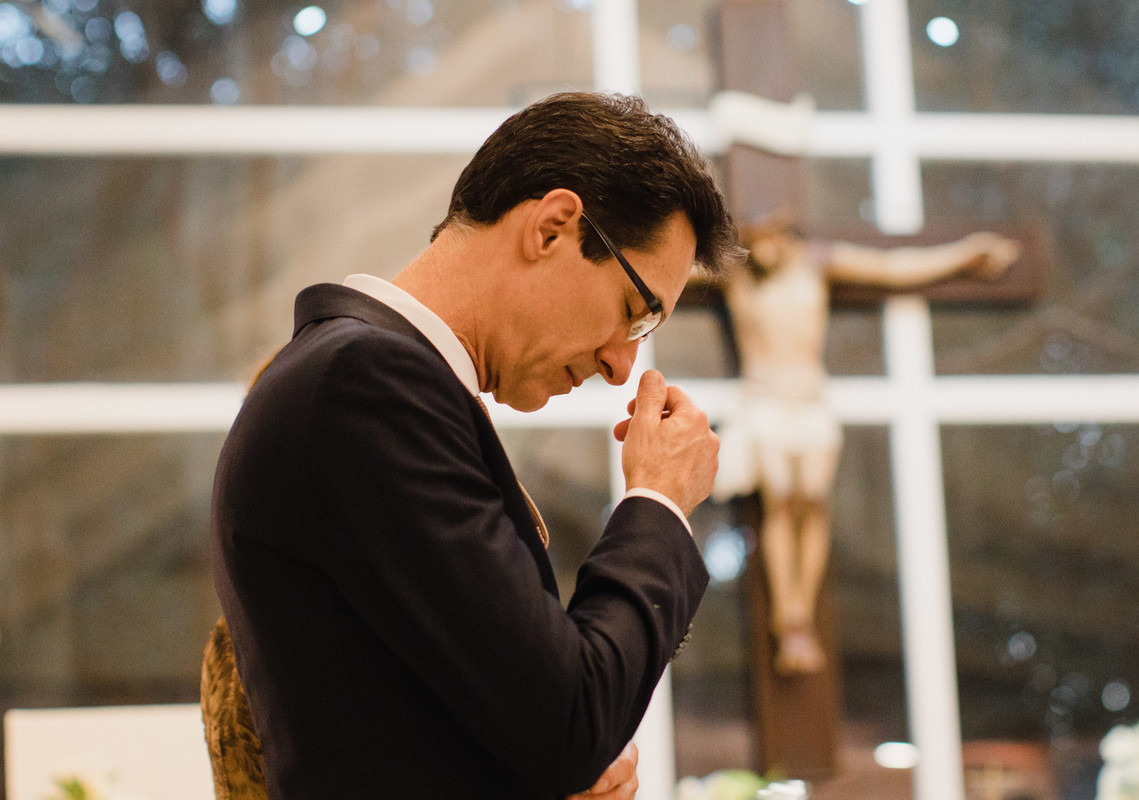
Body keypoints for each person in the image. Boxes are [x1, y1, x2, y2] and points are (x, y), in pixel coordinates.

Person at [210, 92, 743, 800]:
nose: (622, 365)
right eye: (633, 312)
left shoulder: (361, 380)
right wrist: (659, 504)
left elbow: (441, 730)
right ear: (552, 227)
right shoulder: (368, 383)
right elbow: (570, 723)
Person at [707, 222, 1021, 674]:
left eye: (770, 244)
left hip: (809, 401)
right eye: (754, 246)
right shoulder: (736, 274)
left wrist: (963, 255)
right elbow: (669, 266)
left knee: (812, 504)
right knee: (779, 501)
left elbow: (893, 267)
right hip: (763, 402)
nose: (763, 255)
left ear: (787, 236)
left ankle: (803, 619)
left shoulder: (817, 264)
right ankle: (789, 620)